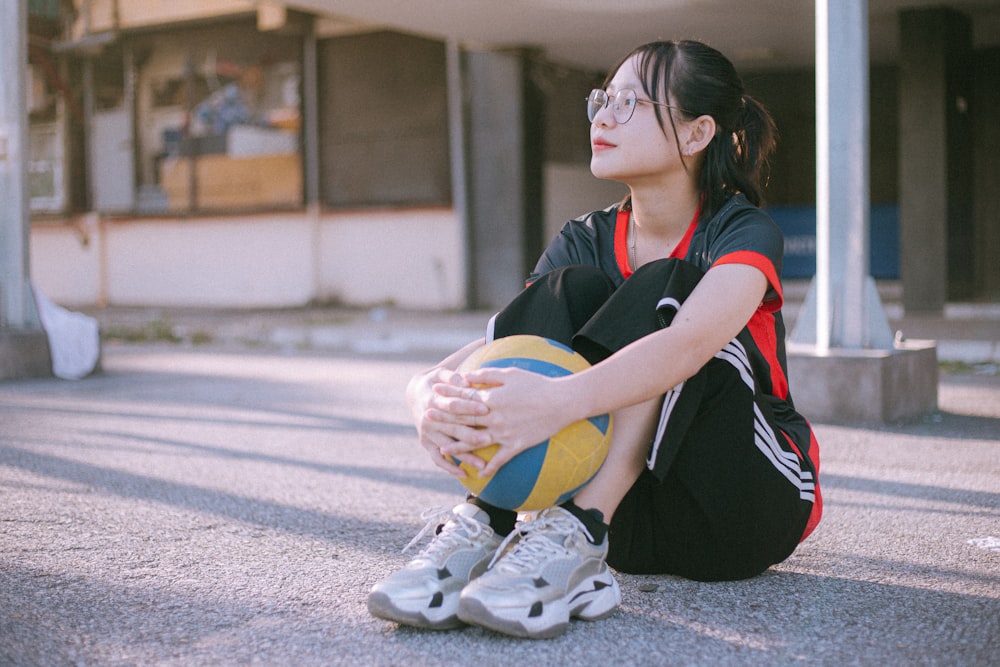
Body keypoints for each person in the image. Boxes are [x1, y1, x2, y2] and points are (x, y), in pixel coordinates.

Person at [367, 39, 822, 640]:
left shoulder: (741, 228)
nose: (602, 117)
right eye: (602, 100)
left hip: (741, 503)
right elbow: (503, 346)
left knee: (669, 287)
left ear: (696, 133)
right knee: (563, 291)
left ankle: (579, 530)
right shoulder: (585, 238)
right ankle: (489, 527)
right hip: (629, 524)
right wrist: (424, 393)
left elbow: (687, 345)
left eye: (629, 102)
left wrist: (557, 402)